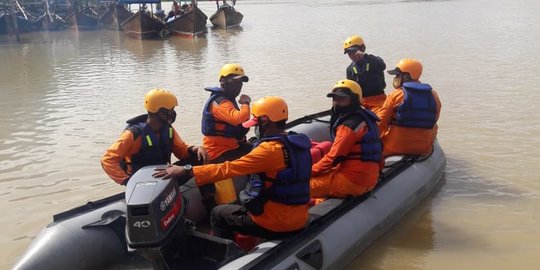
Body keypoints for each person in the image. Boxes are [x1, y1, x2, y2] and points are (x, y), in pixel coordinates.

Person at [153, 96, 312, 240]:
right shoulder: (296, 143)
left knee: (217, 213)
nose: (255, 128)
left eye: (256, 123)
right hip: (299, 218)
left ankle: (227, 258)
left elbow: (227, 169)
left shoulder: (268, 151)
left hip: (277, 224)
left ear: (265, 121)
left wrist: (186, 170)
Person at [101, 89, 208, 185]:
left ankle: (208, 198)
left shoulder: (168, 129)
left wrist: (195, 149)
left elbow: (181, 151)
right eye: (170, 110)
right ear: (158, 111)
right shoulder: (133, 134)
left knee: (199, 158)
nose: (173, 113)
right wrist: (128, 181)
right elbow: (108, 159)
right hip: (142, 181)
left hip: (163, 174)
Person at [310, 80, 382, 198]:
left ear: (354, 100)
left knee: (302, 187)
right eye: (335, 99)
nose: (337, 103)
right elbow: (379, 150)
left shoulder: (348, 126)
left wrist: (306, 174)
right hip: (368, 178)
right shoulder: (367, 118)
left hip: (353, 181)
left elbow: (333, 158)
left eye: (342, 99)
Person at [199, 63, 252, 209]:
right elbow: (237, 118)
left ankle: (257, 191)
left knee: (260, 154)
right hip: (217, 153)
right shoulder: (219, 102)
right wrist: (246, 103)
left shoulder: (228, 99)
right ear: (223, 81)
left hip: (231, 147)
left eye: (240, 83)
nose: (238, 86)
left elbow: (239, 125)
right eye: (234, 82)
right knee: (226, 196)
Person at [377, 58, 442, 157]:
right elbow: (434, 119)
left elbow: (380, 122)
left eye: (398, 75)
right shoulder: (433, 95)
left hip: (394, 147)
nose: (395, 78)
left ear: (407, 76)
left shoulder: (395, 95)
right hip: (423, 148)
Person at [344, 35, 387, 114]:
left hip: (379, 100)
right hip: (362, 102)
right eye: (349, 53)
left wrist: (365, 56)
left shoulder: (374, 60)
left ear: (362, 48)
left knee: (379, 120)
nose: (352, 55)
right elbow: (351, 89)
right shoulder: (350, 69)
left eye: (354, 51)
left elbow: (382, 66)